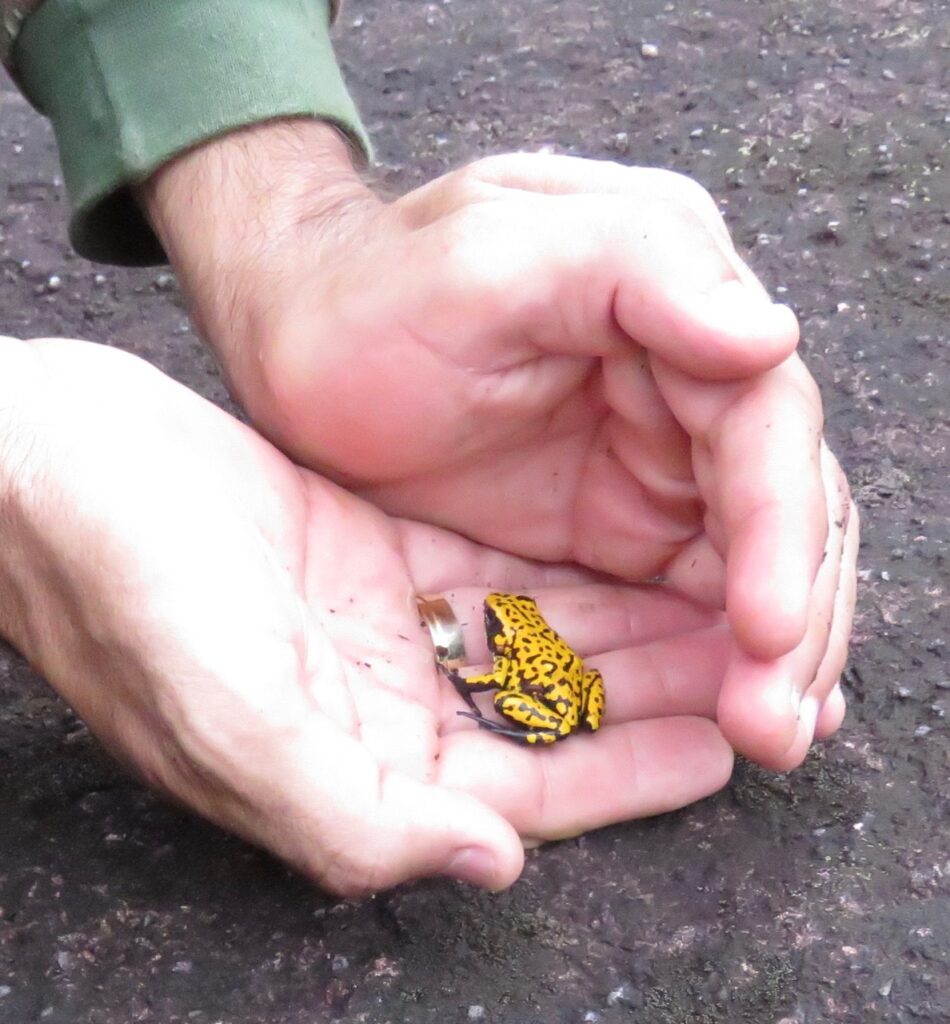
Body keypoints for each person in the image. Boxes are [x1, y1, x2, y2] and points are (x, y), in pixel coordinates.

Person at [0, 0, 857, 895]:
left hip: (544, 689)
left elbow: (526, 677)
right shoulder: (492, 640)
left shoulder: (509, 638)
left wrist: (281, 225)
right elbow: (494, 669)